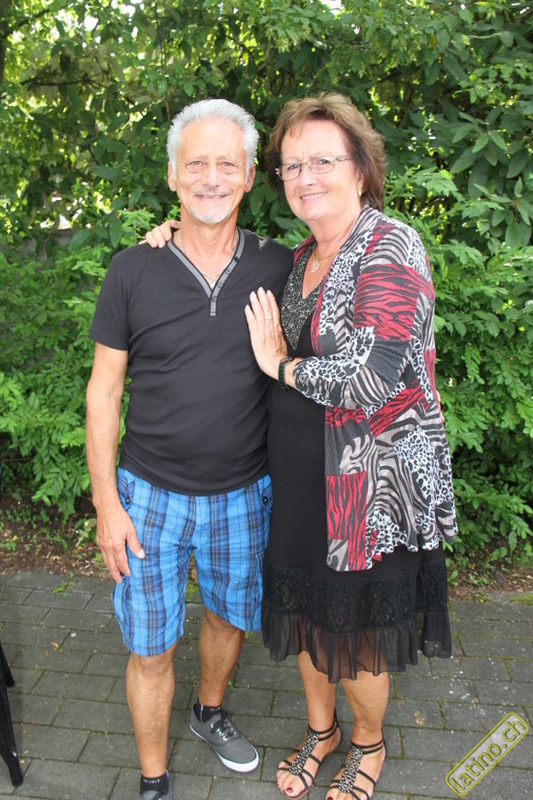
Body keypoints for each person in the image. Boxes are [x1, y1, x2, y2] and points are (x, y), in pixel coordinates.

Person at [146, 93, 457, 800]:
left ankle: (368, 745)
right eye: (291, 165)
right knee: (309, 613)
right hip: (296, 480)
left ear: (359, 168)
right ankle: (321, 732)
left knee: (357, 630)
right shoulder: (298, 258)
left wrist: (280, 366)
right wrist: (170, 231)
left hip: (367, 487)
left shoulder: (389, 246)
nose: (305, 176)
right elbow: (212, 250)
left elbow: (371, 379)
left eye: (322, 161)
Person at [85, 98, 293, 800]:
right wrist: (106, 504)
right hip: (147, 497)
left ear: (249, 176)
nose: (210, 177)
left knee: (230, 618)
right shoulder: (132, 269)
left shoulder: (280, 266)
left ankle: (208, 712)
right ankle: (153, 777)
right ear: (172, 175)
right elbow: (103, 392)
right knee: (151, 647)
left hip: (245, 493)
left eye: (226, 164)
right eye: (195, 163)